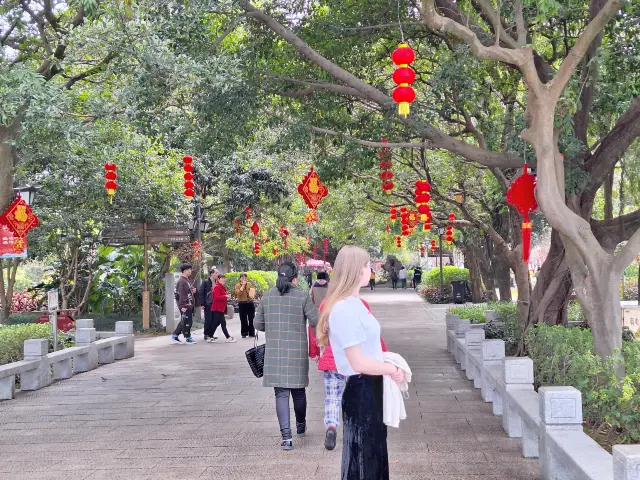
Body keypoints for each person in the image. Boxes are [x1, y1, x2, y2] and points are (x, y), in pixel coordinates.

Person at [316, 245, 404, 480]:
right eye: (367, 265)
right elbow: (358, 362)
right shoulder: (344, 309)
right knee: (364, 459)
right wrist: (392, 369)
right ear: (356, 270)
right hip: (362, 389)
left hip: (371, 389)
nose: (370, 269)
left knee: (372, 455)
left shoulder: (355, 304)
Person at [254, 262, 319, 451]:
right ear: (295, 278)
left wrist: (273, 325)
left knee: (281, 393)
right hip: (297, 352)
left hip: (275, 353)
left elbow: (258, 324)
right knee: (298, 391)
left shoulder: (267, 297)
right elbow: (315, 321)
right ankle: (300, 425)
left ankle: (287, 438)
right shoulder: (302, 296)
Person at [308, 298, 388, 451]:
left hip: (331, 359)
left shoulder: (327, 303)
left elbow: (317, 329)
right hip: (353, 359)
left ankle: (331, 426)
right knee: (355, 396)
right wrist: (384, 354)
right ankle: (355, 429)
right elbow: (372, 334)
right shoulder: (360, 303)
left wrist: (314, 351)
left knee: (332, 396)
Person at [172, 263, 197, 345]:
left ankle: (175, 335)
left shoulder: (186, 280)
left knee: (184, 320)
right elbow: (181, 294)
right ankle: (188, 337)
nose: (191, 271)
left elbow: (187, 291)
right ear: (185, 270)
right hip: (185, 305)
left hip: (188, 304)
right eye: (189, 269)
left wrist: (192, 290)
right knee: (187, 321)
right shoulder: (182, 281)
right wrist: (182, 306)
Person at [210, 275, 237, 343]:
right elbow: (216, 297)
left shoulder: (221, 287)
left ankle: (210, 336)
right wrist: (225, 296)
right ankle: (228, 337)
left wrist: (226, 296)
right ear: (218, 279)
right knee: (223, 323)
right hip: (217, 308)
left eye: (224, 278)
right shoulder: (217, 287)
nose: (224, 280)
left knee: (216, 323)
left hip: (220, 308)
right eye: (222, 278)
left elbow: (221, 296)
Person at [199, 267, 219, 342]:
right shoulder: (206, 282)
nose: (218, 274)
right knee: (208, 319)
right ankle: (206, 334)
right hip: (208, 304)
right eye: (216, 273)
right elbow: (201, 293)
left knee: (214, 319)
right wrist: (202, 303)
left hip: (215, 304)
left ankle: (211, 334)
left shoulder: (217, 282)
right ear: (212, 273)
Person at [235, 273, 256, 339]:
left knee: (251, 319)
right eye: (242, 277)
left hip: (250, 303)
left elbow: (253, 291)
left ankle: (251, 333)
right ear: (240, 278)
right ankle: (244, 333)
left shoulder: (249, 284)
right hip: (242, 303)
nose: (244, 279)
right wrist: (243, 286)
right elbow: (238, 293)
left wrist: (252, 294)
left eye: (245, 278)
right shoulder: (237, 285)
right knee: (243, 319)